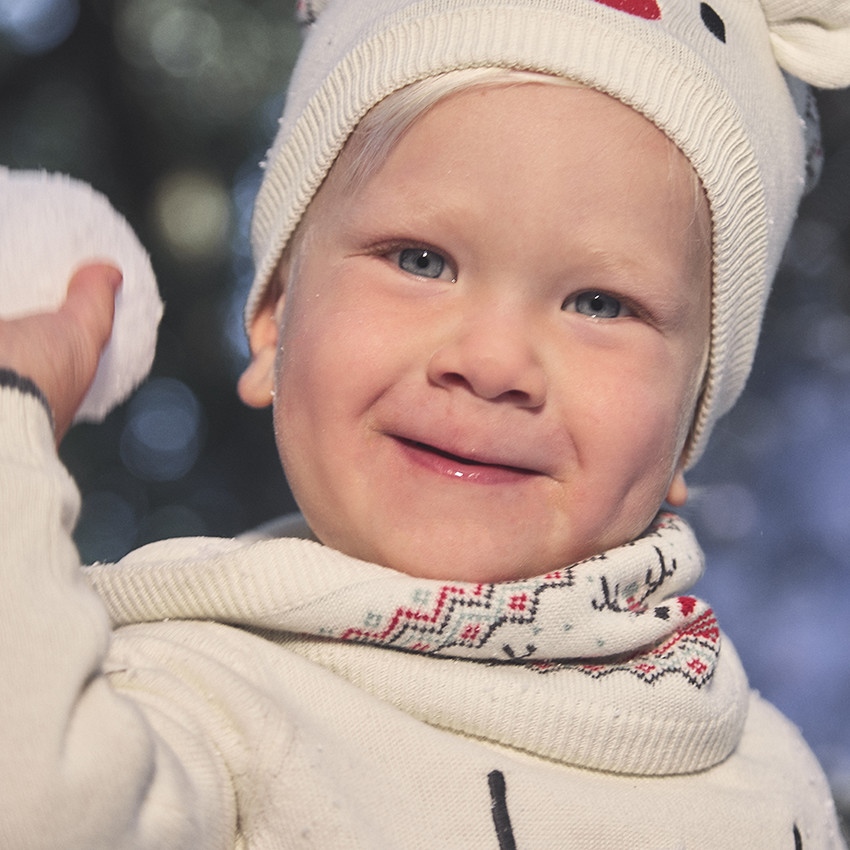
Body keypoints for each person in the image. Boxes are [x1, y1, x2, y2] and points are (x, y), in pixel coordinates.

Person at [2, 0, 849, 846]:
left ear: (692, 418)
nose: (491, 363)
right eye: (421, 260)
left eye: (599, 303)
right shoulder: (192, 708)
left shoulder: (772, 772)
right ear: (276, 315)